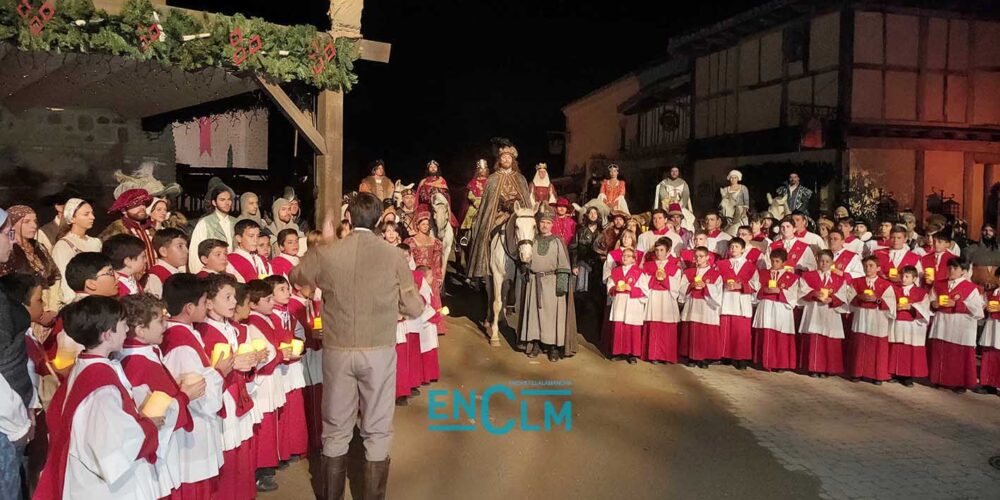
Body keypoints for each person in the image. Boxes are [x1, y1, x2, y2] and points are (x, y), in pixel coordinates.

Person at [289, 192, 424, 500]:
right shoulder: (393, 256)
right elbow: (414, 307)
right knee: (376, 428)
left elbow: (296, 275)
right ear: (380, 221)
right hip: (378, 350)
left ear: (348, 220)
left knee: (336, 428)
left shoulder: (330, 252)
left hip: (337, 351)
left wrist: (321, 244)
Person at [34, 296, 160, 500]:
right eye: (123, 324)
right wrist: (149, 425)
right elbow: (112, 445)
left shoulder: (85, 366)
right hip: (103, 487)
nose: (128, 330)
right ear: (107, 334)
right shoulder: (100, 383)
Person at [116, 293, 196, 498]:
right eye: (160, 321)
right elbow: (153, 413)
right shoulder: (138, 363)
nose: (166, 326)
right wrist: (185, 396)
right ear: (141, 330)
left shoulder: (144, 352)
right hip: (154, 452)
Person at [161, 273, 228, 499]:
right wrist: (220, 372)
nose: (207, 305)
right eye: (203, 302)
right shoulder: (181, 343)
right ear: (189, 308)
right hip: (190, 432)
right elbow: (199, 395)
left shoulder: (183, 333)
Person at [195, 274, 258, 499]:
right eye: (227, 297)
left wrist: (251, 363)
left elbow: (248, 361)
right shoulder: (201, 332)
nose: (234, 302)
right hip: (221, 400)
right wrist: (228, 367)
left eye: (234, 297)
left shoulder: (238, 328)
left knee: (242, 449)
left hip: (239, 394)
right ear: (209, 302)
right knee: (226, 453)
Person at [466, 143, 532, 279]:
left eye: (509, 157)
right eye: (504, 157)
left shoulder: (520, 178)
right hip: (498, 214)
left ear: (513, 160)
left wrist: (515, 203)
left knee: (529, 232)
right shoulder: (492, 179)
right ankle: (486, 265)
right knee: (485, 231)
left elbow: (525, 200)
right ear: (499, 160)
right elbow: (489, 203)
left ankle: (528, 265)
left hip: (517, 214)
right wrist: (501, 203)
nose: (506, 160)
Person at [519, 211, 576, 362]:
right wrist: (525, 270)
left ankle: (553, 348)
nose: (544, 225)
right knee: (534, 316)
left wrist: (561, 287)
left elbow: (564, 265)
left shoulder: (557, 241)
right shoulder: (532, 240)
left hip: (552, 283)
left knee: (551, 317)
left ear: (552, 224)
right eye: (542, 222)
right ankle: (536, 344)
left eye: (548, 223)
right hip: (534, 282)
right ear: (538, 224)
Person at [264, 275, 308, 467]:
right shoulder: (270, 316)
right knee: (283, 412)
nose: (288, 292)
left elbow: (299, 334)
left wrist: (300, 344)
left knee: (295, 408)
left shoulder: (289, 314)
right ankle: (281, 452)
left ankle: (294, 447)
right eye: (281, 289)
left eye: (287, 288)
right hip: (279, 368)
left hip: (292, 365)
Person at [927, 257, 984, 392]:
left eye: (955, 268)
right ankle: (940, 379)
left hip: (961, 325)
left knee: (958, 355)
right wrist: (933, 304)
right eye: (950, 268)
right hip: (942, 323)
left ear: (963, 271)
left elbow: (978, 309)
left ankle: (959, 383)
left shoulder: (971, 288)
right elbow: (930, 299)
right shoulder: (939, 284)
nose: (951, 270)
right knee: (942, 351)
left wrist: (957, 304)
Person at [0, 205, 60, 326]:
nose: (34, 226)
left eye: (35, 221)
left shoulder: (39, 248)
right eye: (26, 222)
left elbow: (55, 277)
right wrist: (34, 313)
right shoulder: (8, 255)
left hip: (47, 308)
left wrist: (52, 309)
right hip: (23, 315)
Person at [798, 250, 850, 377]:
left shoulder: (838, 279)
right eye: (821, 260)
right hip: (814, 310)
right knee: (815, 338)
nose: (824, 263)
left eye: (827, 261)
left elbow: (844, 295)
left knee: (829, 339)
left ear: (832, 262)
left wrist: (833, 299)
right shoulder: (808, 276)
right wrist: (814, 294)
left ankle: (827, 368)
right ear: (817, 260)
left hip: (830, 312)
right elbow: (802, 290)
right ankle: (813, 367)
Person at [846, 256, 895, 384]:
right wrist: (859, 298)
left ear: (878, 268)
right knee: (860, 343)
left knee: (877, 346)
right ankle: (857, 372)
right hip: (861, 316)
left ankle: (877, 375)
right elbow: (848, 299)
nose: (868, 268)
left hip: (878, 317)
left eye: (871, 265)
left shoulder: (885, 284)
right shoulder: (857, 282)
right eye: (866, 265)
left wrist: (877, 300)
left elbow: (891, 303)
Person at [752, 249, 802, 372]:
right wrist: (763, 290)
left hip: (781, 308)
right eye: (772, 261)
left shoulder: (792, 277)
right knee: (766, 332)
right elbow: (755, 289)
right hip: (766, 306)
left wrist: (780, 291)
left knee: (780, 335)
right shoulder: (763, 273)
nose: (774, 264)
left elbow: (794, 295)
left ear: (784, 262)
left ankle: (780, 363)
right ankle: (764, 361)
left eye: (777, 261)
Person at [51, 199, 102, 306]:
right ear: (72, 218)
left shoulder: (95, 242)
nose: (92, 217)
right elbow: (64, 279)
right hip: (78, 302)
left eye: (92, 213)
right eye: (86, 214)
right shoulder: (64, 245)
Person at [404, 207, 447, 335]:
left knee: (433, 299)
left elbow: (437, 260)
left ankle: (436, 325)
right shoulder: (411, 241)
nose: (425, 226)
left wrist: (438, 276)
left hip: (431, 274)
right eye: (422, 224)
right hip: (417, 273)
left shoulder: (435, 242)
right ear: (417, 225)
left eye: (427, 224)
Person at [678, 247, 723, 368]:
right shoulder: (689, 272)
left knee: (704, 331)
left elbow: (718, 291)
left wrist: (706, 286)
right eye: (696, 256)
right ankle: (691, 356)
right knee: (692, 329)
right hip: (692, 304)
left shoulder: (715, 274)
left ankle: (703, 358)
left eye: (701, 256)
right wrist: (690, 285)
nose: (698, 259)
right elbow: (681, 288)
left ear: (708, 257)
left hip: (706, 305)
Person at [887, 266, 931, 387]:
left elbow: (925, 307)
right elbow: (887, 303)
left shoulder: (921, 292)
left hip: (912, 325)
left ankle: (907, 376)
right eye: (902, 276)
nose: (903, 279)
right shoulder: (894, 289)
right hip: (898, 322)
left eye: (907, 276)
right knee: (897, 347)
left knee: (909, 349)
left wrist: (911, 307)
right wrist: (894, 306)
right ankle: (895, 372)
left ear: (914, 278)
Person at [717, 239, 757, 369]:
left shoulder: (750, 266)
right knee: (726, 329)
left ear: (743, 249)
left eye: (737, 246)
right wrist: (723, 284)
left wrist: (741, 285)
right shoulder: (722, 264)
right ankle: (725, 356)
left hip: (741, 301)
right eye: (731, 246)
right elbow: (715, 281)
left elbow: (756, 284)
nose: (733, 248)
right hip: (727, 299)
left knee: (741, 332)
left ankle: (741, 359)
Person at [641, 238, 681, 364]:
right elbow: (643, 283)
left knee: (667, 325)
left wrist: (665, 279)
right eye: (657, 250)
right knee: (654, 325)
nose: (659, 253)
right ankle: (653, 355)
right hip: (653, 297)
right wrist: (655, 279)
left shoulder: (675, 268)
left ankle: (667, 356)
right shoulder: (648, 266)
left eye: (662, 250)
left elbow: (676, 286)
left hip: (667, 298)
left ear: (668, 251)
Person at [606, 248, 649, 364]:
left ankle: (632, 354)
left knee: (632, 328)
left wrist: (632, 289)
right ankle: (618, 352)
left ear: (634, 259)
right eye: (624, 255)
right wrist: (614, 288)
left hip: (633, 302)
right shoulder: (615, 271)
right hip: (620, 301)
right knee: (619, 326)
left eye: (628, 256)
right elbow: (610, 286)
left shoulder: (639, 273)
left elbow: (645, 290)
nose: (625, 258)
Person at [99, 189, 157, 273]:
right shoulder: (116, 230)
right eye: (136, 205)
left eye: (143, 204)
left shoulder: (150, 228)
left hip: (154, 277)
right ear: (124, 210)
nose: (142, 207)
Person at [188, 182, 236, 274]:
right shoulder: (205, 223)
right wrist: (198, 275)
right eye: (222, 200)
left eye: (229, 199)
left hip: (233, 271)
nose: (227, 203)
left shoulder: (235, 222)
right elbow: (195, 251)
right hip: (212, 273)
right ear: (214, 202)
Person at [145, 228, 189, 299]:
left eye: (186, 246)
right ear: (163, 251)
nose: (187, 251)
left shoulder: (178, 272)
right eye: (180, 246)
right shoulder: (156, 275)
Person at [570, 207, 602, 296]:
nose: (593, 215)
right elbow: (574, 248)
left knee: (596, 294)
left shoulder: (602, 232)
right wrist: (574, 265)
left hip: (598, 267)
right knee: (582, 292)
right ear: (587, 215)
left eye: (595, 213)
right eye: (590, 213)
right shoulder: (580, 231)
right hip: (582, 265)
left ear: (598, 216)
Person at [459, 160, 490, 250]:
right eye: (481, 169)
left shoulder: (489, 181)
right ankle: (466, 236)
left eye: (484, 169)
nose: (483, 171)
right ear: (478, 171)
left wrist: (485, 201)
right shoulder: (473, 182)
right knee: (469, 214)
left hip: (486, 204)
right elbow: (470, 194)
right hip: (475, 203)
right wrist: (476, 201)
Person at [653, 166, 694, 231]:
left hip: (680, 206)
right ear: (669, 172)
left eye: (676, 171)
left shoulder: (683, 183)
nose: (674, 173)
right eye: (672, 171)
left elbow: (685, 195)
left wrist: (678, 205)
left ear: (678, 172)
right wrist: (670, 203)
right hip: (667, 206)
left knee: (688, 219)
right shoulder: (664, 183)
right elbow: (662, 195)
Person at [978, 271, 1000, 394]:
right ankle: (988, 383)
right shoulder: (992, 293)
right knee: (989, 354)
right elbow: (981, 304)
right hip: (992, 325)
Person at [718, 170, 749, 234]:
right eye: (731, 178)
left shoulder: (743, 188)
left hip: (740, 211)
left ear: (738, 178)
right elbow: (723, 201)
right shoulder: (726, 189)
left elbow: (746, 200)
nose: (733, 179)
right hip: (729, 211)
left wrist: (744, 211)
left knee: (742, 226)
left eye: (735, 177)